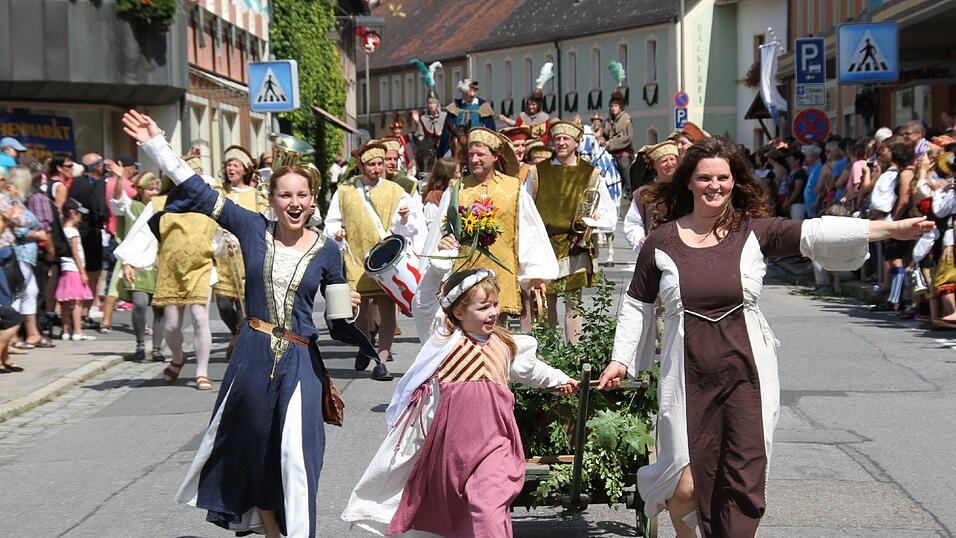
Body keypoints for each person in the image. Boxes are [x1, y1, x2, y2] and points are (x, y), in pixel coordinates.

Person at [596, 136, 934, 538]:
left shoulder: (752, 233)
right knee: (684, 485)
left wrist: (892, 228)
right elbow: (638, 303)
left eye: (723, 177)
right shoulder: (662, 241)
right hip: (687, 377)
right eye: (705, 178)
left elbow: (815, 232)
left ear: (735, 182)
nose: (714, 186)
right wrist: (621, 359)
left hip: (747, 376)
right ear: (689, 182)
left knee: (742, 479)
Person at [123, 109, 378, 538]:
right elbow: (199, 191)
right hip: (253, 355)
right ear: (271, 198)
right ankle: (272, 530)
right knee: (257, 449)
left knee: (299, 456)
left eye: (302, 194)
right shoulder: (250, 226)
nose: (294, 203)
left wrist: (348, 306)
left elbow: (336, 319)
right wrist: (157, 147)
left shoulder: (329, 251)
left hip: (300, 357)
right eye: (285, 195)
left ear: (313, 197)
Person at [342, 266, 577, 535]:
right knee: (457, 518)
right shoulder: (444, 341)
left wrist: (561, 380)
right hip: (453, 450)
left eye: (495, 305)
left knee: (487, 503)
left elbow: (532, 370)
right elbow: (423, 303)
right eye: (483, 307)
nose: (492, 313)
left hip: (496, 444)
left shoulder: (504, 344)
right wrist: (437, 269)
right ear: (458, 312)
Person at [421, 127, 558, 329]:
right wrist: (441, 250)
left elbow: (531, 233)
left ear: (494, 156)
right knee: (467, 332)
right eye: (471, 155)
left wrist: (535, 273)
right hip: (465, 274)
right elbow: (440, 231)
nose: (474, 159)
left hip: (503, 272)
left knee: (499, 331)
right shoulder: (457, 188)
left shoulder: (514, 189)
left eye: (480, 154)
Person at [115, 154, 217, 389]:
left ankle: (202, 372)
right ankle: (179, 357)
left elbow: (223, 228)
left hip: (200, 267)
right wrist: (129, 261)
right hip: (170, 268)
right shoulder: (160, 204)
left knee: (201, 319)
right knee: (171, 326)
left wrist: (226, 245)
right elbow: (142, 233)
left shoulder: (209, 202)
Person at [325, 141, 424, 367]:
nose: (377, 168)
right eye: (371, 164)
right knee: (360, 311)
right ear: (361, 166)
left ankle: (381, 359)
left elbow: (410, 228)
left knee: (388, 309)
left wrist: (406, 218)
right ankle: (366, 343)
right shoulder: (345, 191)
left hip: (385, 260)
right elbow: (331, 222)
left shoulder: (395, 191)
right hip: (356, 259)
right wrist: (337, 232)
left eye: (380, 163)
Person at [525, 120, 616, 342]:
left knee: (573, 302)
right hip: (544, 245)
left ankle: (572, 354)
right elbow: (525, 208)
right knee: (547, 300)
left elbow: (608, 213)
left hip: (576, 244)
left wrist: (594, 220)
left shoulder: (590, 173)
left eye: (566, 139)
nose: (561, 143)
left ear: (576, 142)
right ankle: (549, 350)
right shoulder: (538, 172)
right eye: (557, 139)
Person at [214, 145, 266, 356]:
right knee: (224, 305)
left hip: (246, 256)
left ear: (245, 169)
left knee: (246, 306)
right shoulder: (221, 193)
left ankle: (241, 339)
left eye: (235, 165)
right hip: (223, 256)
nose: (231, 168)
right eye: (228, 165)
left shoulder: (255, 195)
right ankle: (236, 333)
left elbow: (259, 222)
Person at [109, 170, 165, 362]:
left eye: (157, 188)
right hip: (136, 263)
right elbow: (117, 202)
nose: (154, 192)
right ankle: (140, 344)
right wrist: (118, 178)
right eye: (150, 189)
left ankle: (156, 348)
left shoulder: (163, 208)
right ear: (141, 190)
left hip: (159, 262)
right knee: (139, 304)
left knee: (160, 308)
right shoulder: (134, 207)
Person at [5, 166, 54, 349]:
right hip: (19, 252)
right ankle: (13, 336)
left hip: (26, 254)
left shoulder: (19, 201)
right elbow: (14, 227)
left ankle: (29, 333)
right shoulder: (10, 202)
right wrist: (36, 235)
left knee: (29, 291)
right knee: (20, 293)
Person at [68, 153, 109, 327]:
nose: (104, 166)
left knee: (79, 272)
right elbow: (98, 209)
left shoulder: (75, 183)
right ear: (96, 167)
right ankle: (83, 312)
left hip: (80, 231)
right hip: (89, 232)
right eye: (101, 163)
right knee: (92, 273)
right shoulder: (96, 184)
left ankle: (76, 313)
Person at [623, 140, 679, 254]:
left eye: (672, 159)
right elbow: (633, 223)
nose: (669, 164)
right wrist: (639, 239)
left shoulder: (688, 188)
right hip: (656, 253)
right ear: (654, 166)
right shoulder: (643, 193)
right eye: (664, 161)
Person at [56, 198, 96, 341]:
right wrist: (83, 272)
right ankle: (78, 331)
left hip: (65, 269)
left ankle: (66, 330)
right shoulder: (73, 232)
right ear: (73, 214)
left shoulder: (62, 231)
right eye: (79, 214)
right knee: (78, 302)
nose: (80, 217)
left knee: (65, 302)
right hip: (75, 269)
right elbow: (76, 253)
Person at [438, 79, 496, 158]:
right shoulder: (454, 107)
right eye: (469, 92)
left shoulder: (483, 106)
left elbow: (491, 129)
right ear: (463, 92)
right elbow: (447, 131)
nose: (472, 94)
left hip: (478, 140)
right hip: (457, 142)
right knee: (446, 159)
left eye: (474, 92)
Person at [601, 89, 634, 183]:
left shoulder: (626, 119)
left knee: (623, 163)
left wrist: (611, 143)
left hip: (624, 150)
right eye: (612, 106)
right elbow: (604, 135)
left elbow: (628, 137)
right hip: (609, 151)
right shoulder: (607, 121)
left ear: (620, 107)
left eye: (616, 106)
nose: (613, 108)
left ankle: (629, 187)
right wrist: (601, 140)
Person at [421, 157, 459, 228]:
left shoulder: (455, 193)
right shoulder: (434, 197)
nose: (459, 175)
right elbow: (431, 225)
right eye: (457, 172)